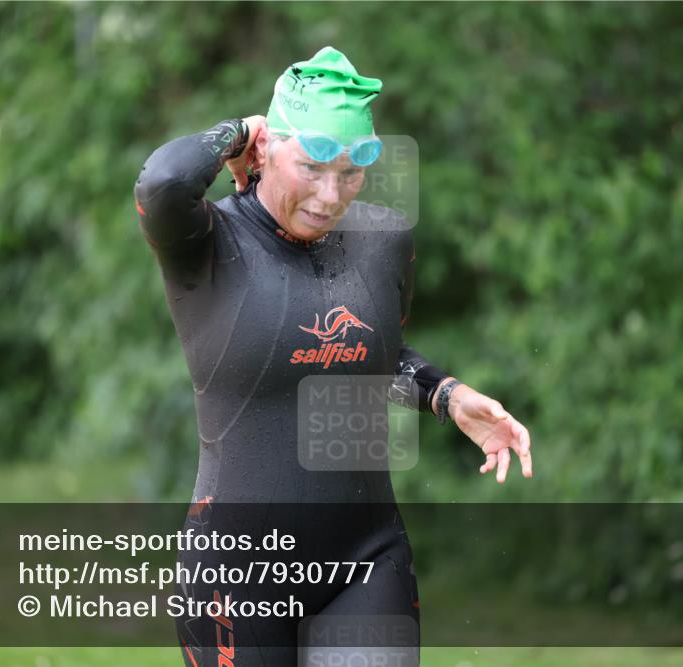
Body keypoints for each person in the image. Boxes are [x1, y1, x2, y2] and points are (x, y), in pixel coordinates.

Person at [135, 46, 532, 667]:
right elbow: (161, 182)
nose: (331, 193)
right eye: (314, 166)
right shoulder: (208, 242)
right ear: (265, 150)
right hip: (238, 576)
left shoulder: (384, 239)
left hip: (366, 561)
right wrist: (234, 133)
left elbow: (374, 354)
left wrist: (447, 395)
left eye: (352, 171)